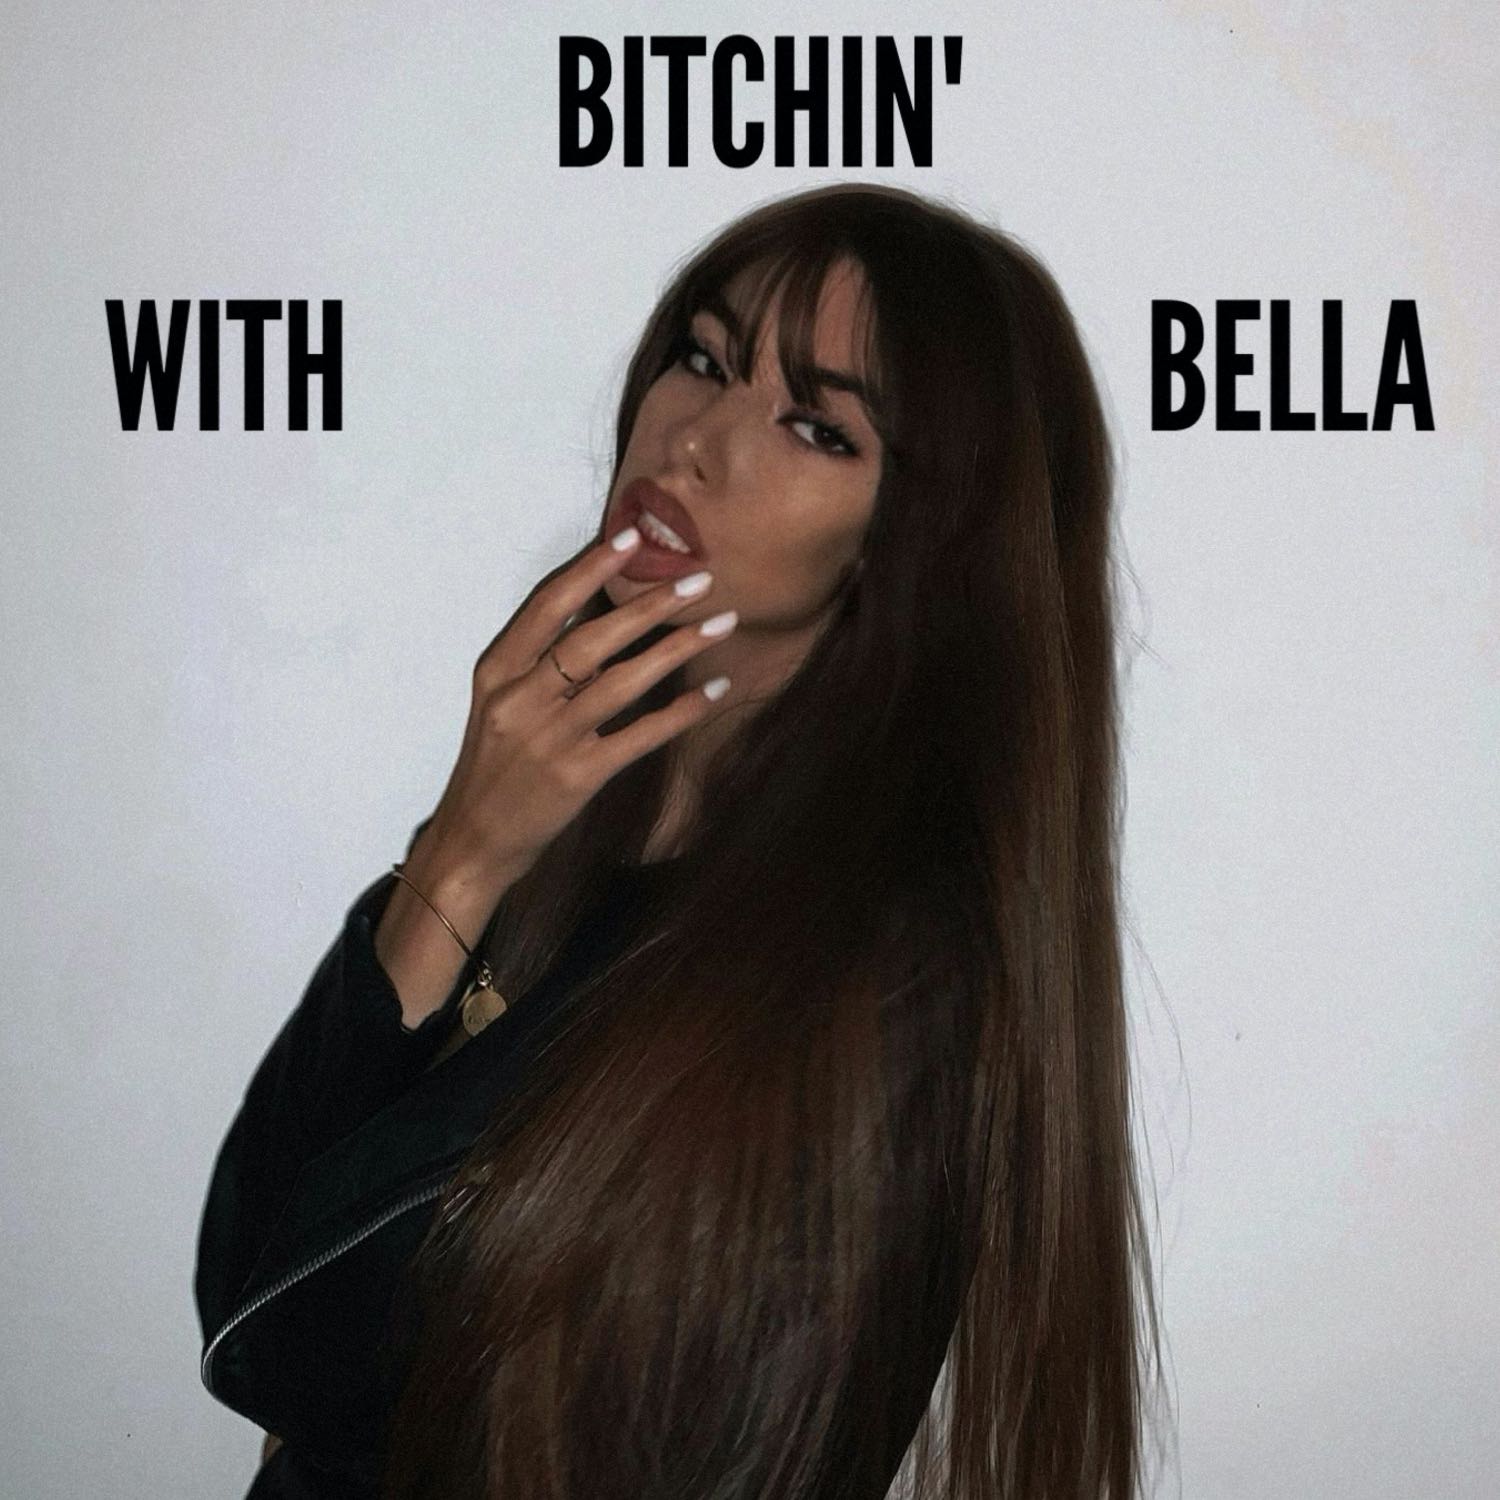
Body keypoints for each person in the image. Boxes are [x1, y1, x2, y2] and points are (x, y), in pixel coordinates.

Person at [194, 182, 1168, 1500]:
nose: (696, 438)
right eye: (704, 359)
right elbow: (250, 1291)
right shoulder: (564, 806)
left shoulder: (879, 976)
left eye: (817, 427)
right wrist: (465, 849)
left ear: (913, 540)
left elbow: (284, 1349)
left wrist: (466, 856)